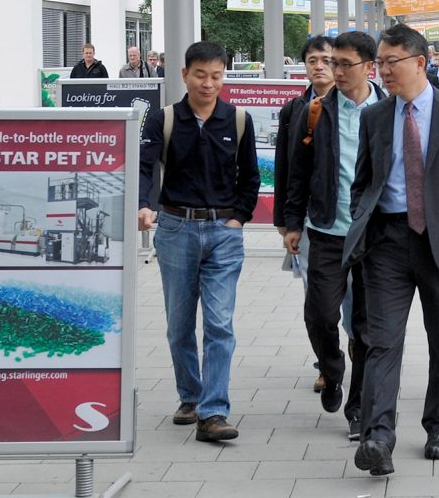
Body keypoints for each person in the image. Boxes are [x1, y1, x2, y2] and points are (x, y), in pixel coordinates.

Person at [344, 24, 439, 477]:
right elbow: (363, 183)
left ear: (420, 63)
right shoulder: (375, 117)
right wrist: (361, 224)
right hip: (386, 242)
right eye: (379, 63)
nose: (382, 70)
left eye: (391, 62)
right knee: (380, 342)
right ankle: (378, 436)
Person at [138, 41, 259, 443]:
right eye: (201, 74)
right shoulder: (164, 119)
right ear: (185, 74)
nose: (209, 83)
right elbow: (144, 168)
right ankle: (190, 396)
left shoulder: (239, 119)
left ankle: (213, 411)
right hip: (175, 229)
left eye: (217, 75)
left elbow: (251, 176)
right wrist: (144, 206)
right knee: (179, 324)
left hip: (223, 233)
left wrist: (238, 218)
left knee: (220, 323)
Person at [285, 31, 384, 441]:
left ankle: (358, 406)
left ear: (369, 67)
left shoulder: (390, 110)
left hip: (375, 234)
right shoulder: (314, 111)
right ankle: (331, 369)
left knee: (366, 326)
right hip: (325, 229)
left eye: (345, 64)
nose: (336, 71)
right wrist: (291, 223)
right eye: (332, 63)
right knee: (321, 314)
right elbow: (297, 171)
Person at [272, 36, 338, 399]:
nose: (319, 66)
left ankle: (356, 356)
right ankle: (326, 365)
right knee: (318, 300)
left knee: (356, 299)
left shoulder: (357, 106)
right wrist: (286, 219)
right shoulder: (296, 109)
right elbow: (287, 168)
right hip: (312, 220)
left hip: (350, 220)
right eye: (313, 60)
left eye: (326, 60)